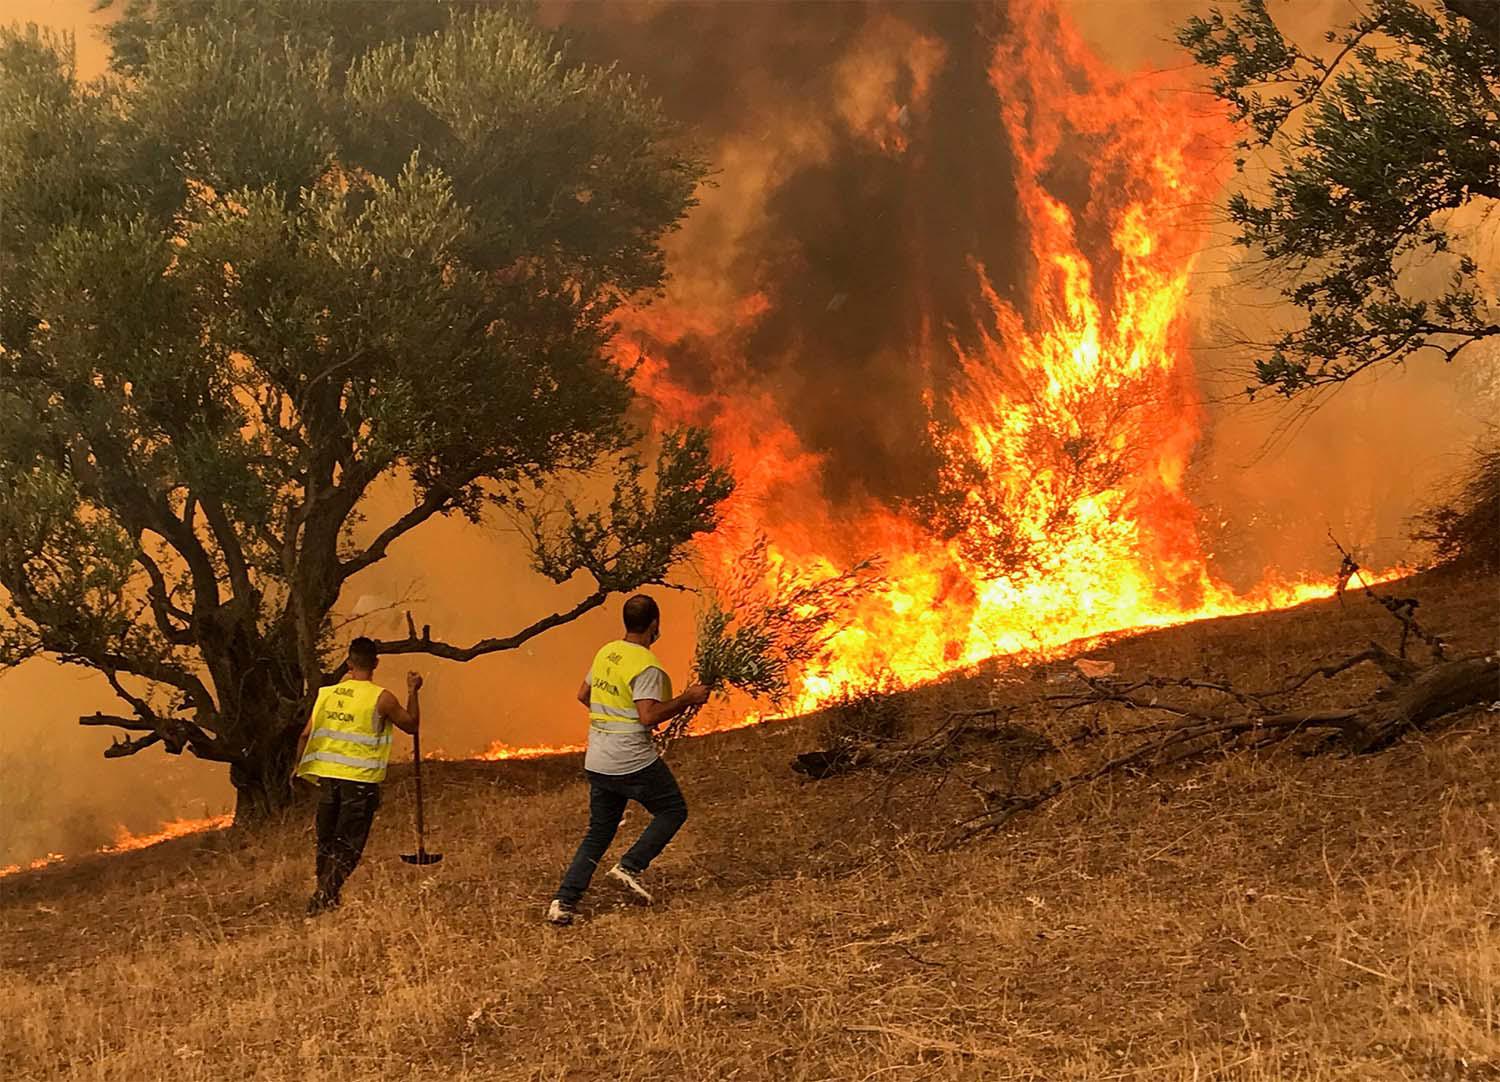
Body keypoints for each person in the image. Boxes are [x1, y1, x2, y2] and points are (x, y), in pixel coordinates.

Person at [547, 594, 709, 926]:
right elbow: (648, 716)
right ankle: (629, 867)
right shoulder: (646, 665)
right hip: (630, 758)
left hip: (598, 757)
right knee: (673, 809)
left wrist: (610, 720)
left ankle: (564, 902)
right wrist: (688, 698)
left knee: (599, 831)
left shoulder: (607, 652)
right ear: (654, 624)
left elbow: (583, 695)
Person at [293, 636, 422, 916]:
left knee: (327, 840)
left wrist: (300, 771)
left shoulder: (327, 695)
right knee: (349, 843)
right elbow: (411, 726)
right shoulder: (382, 698)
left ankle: (326, 894)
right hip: (360, 782)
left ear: (349, 663)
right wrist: (412, 691)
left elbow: (305, 735)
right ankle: (323, 897)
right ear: (375, 663)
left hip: (328, 781)